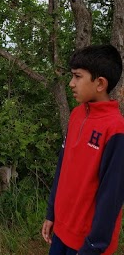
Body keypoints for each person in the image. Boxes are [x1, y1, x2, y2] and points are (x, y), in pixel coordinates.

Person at [43, 44, 124, 255]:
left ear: (100, 83)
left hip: (87, 242)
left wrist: (93, 246)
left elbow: (112, 195)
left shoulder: (116, 129)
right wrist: (52, 212)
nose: (71, 84)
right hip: (61, 229)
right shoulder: (77, 115)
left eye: (77, 77)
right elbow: (63, 167)